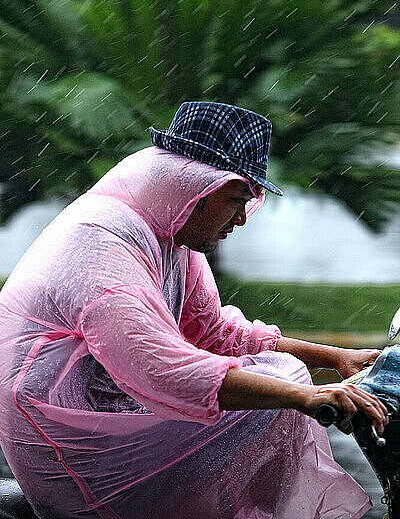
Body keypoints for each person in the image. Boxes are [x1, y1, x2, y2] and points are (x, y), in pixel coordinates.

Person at [0, 101, 388, 519]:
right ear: (194, 188)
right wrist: (306, 396)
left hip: (106, 416)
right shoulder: (102, 246)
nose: (241, 220)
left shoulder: (168, 234)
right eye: (236, 200)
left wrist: (335, 359)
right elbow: (162, 370)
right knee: (278, 385)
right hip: (65, 448)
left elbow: (218, 335)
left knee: (274, 376)